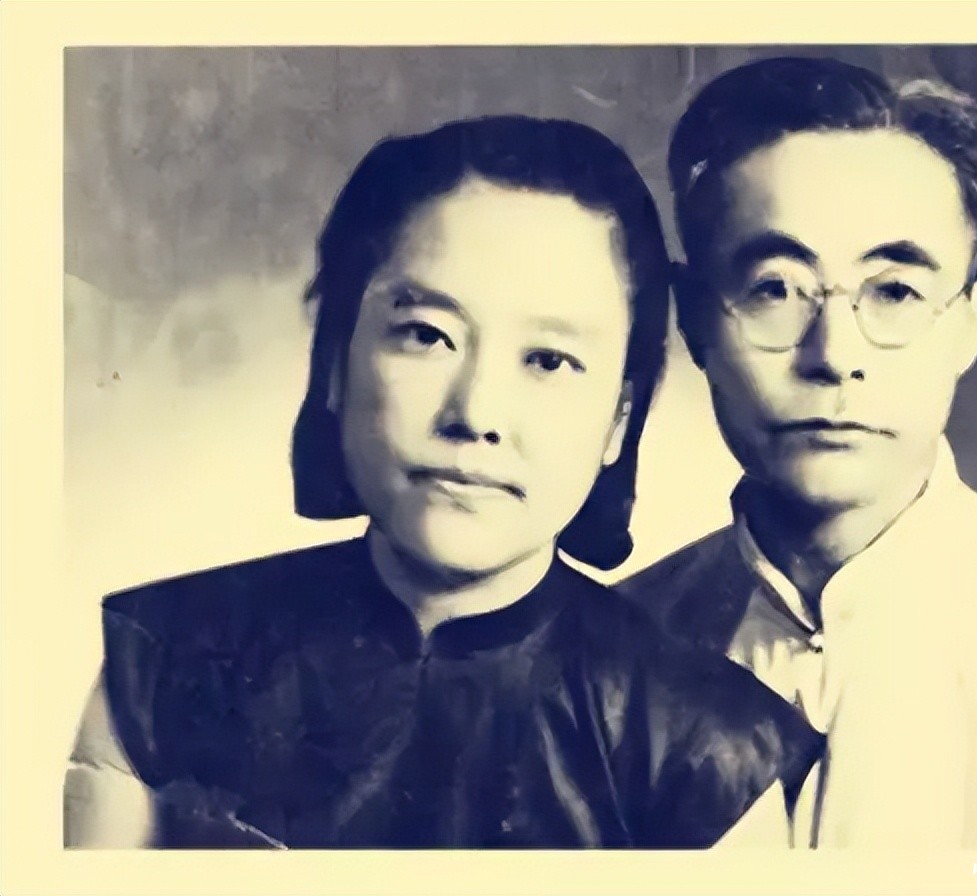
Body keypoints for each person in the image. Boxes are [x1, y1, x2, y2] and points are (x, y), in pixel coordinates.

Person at [62, 115, 823, 849]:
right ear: (337, 364)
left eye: (549, 360)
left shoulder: (706, 750)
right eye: (426, 335)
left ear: (618, 423)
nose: (476, 415)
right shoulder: (166, 662)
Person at [618, 57, 977, 850]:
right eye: (774, 288)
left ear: (971, 322)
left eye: (895, 292)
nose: (834, 356)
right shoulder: (603, 657)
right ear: (693, 319)